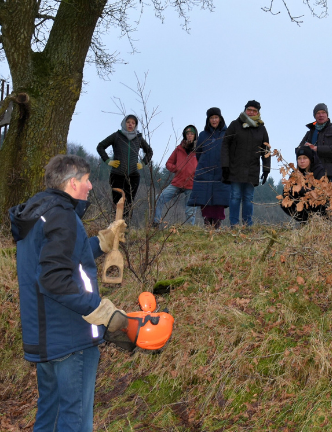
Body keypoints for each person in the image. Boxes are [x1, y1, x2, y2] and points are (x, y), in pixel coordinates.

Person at [9, 154, 128, 432]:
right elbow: (53, 278)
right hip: (71, 336)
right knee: (74, 421)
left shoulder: (40, 213)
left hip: (47, 337)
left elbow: (61, 257)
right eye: (86, 181)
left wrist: (101, 242)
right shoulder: (62, 215)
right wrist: (99, 308)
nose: (89, 187)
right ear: (73, 183)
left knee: (50, 416)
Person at [221, 100, 271, 227]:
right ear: (245, 110)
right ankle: (234, 225)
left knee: (248, 199)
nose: (251, 112)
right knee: (235, 197)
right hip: (235, 168)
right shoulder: (235, 125)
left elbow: (266, 150)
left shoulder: (261, 129)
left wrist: (266, 169)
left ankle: (247, 226)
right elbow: (225, 145)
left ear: (258, 112)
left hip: (252, 169)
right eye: (249, 110)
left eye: (254, 110)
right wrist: (225, 165)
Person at [96, 114, 153, 219]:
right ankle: (115, 228)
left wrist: (143, 163)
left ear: (135, 125)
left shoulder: (138, 138)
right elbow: (100, 146)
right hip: (117, 175)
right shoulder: (117, 136)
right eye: (128, 122)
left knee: (129, 203)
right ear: (124, 123)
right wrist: (108, 161)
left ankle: (126, 229)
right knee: (117, 202)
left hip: (133, 176)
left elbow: (149, 151)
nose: (130, 124)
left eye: (133, 123)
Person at [188, 107, 230, 229]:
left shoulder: (226, 134)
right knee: (205, 200)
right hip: (205, 171)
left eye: (216, 117)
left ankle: (216, 226)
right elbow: (199, 152)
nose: (214, 120)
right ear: (208, 120)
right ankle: (207, 225)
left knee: (219, 200)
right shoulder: (202, 135)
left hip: (221, 171)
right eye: (211, 118)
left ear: (220, 118)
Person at [153, 125, 198, 227]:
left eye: (192, 134)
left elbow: (204, 165)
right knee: (159, 198)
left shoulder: (199, 149)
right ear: (184, 135)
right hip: (177, 182)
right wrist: (177, 169)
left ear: (195, 136)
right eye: (187, 134)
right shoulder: (179, 149)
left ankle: (189, 231)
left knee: (190, 211)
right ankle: (156, 223)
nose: (189, 136)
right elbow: (168, 163)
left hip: (192, 184)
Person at [298, 103, 332, 184]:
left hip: (330, 174)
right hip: (312, 175)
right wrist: (305, 150)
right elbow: (299, 150)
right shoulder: (310, 133)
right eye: (318, 113)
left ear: (327, 115)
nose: (321, 115)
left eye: (323, 112)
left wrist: (317, 149)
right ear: (315, 116)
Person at [281, 146, 327, 223]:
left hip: (317, 204)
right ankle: (304, 221)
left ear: (310, 159)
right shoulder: (295, 173)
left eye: (305, 158)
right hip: (301, 203)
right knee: (284, 202)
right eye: (299, 158)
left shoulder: (319, 171)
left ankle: (317, 221)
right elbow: (286, 191)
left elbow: (319, 192)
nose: (302, 161)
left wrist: (300, 190)